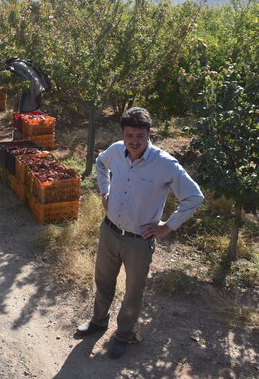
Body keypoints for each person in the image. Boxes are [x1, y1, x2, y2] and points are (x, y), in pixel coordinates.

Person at [75, 107, 204, 359]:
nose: (134, 141)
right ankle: (98, 321)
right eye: (129, 135)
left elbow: (194, 197)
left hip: (138, 242)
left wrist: (167, 227)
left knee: (133, 291)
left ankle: (123, 335)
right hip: (110, 231)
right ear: (122, 134)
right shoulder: (115, 151)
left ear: (149, 134)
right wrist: (105, 191)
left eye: (140, 136)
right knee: (103, 282)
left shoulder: (165, 164)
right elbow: (101, 164)